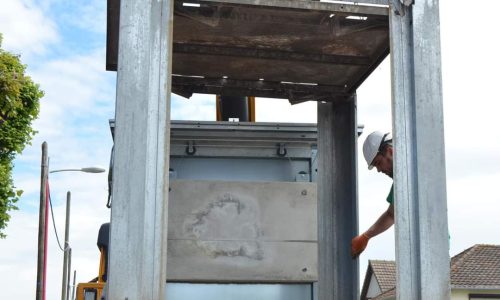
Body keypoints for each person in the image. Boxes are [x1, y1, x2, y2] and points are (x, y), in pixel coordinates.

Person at [351, 131, 394, 258]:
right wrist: (366, 236)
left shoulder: (416, 172)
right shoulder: (401, 184)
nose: (379, 170)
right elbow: (391, 215)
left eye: (379, 163)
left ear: (390, 152)